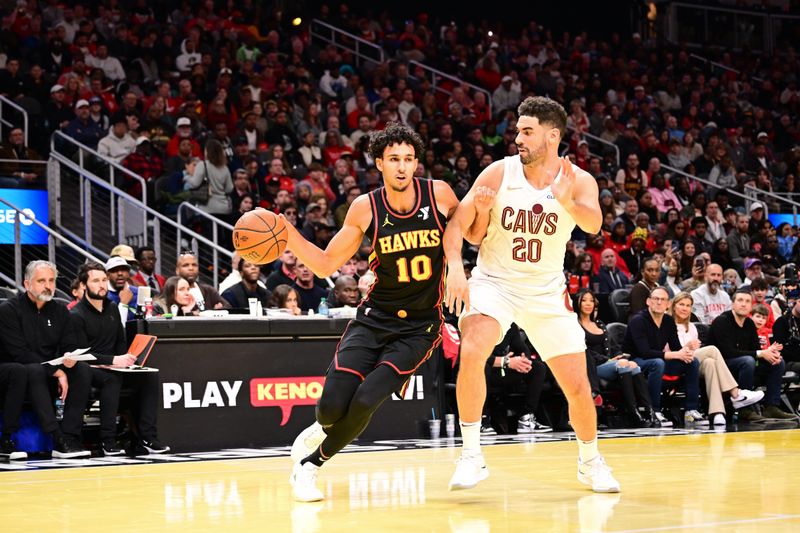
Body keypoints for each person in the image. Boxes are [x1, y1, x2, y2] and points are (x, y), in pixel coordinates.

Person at [443, 97, 619, 493]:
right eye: (517, 131)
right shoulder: (498, 172)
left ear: (552, 135)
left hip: (545, 290)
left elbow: (594, 223)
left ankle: (590, 462)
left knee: (576, 384)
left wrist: (565, 199)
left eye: (527, 131)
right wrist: (456, 267)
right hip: (495, 282)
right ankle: (471, 454)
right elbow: (458, 226)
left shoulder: (578, 178)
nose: (517, 138)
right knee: (473, 349)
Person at [283, 122, 459, 502]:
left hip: (419, 326)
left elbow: (466, 231)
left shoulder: (440, 194)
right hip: (373, 318)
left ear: (416, 163)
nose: (402, 167)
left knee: (366, 400)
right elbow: (327, 263)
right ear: (379, 162)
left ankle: (311, 466)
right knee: (331, 408)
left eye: (409, 159)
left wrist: (460, 267)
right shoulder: (366, 207)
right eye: (394, 159)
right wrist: (287, 233)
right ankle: (322, 428)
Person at [70, 262, 169, 455]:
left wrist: (128, 361)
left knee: (150, 376)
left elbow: (120, 344)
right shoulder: (76, 314)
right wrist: (114, 360)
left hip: (115, 365)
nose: (101, 285)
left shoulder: (112, 308)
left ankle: (148, 437)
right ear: (83, 285)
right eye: (96, 280)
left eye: (104, 280)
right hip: (91, 369)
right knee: (111, 378)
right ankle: (108, 439)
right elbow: (79, 354)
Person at [0, 261, 92, 458]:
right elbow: (19, 353)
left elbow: (69, 344)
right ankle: (56, 437)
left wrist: (69, 359)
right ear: (27, 284)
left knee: (82, 369)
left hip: (48, 367)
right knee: (30, 369)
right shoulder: (9, 310)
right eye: (41, 281)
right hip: (20, 367)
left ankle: (70, 435)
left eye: (51, 280)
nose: (48, 286)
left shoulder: (60, 310)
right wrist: (56, 371)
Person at [670, 292, 764, 426]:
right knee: (713, 350)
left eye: (688, 305)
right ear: (673, 306)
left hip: (691, 362)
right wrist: (687, 347)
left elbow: (694, 354)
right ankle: (736, 393)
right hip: (674, 361)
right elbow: (669, 350)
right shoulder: (668, 324)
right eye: (681, 305)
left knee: (710, 363)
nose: (685, 308)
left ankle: (717, 413)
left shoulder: (692, 327)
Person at [707, 289, 795, 421]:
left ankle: (771, 406)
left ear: (751, 305)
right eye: (740, 300)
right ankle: (744, 409)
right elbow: (727, 352)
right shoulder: (722, 321)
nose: (743, 304)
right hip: (722, 366)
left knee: (777, 362)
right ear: (733, 304)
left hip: (745, 364)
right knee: (748, 361)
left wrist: (770, 354)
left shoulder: (749, 323)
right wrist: (760, 353)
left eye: (747, 301)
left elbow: (755, 349)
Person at [621, 286, 703, 427]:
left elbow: (676, 347)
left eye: (663, 300)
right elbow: (644, 352)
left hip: (658, 361)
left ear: (668, 304)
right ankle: (655, 410)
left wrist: (686, 352)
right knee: (657, 363)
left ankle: (691, 409)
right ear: (648, 301)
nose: (659, 302)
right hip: (635, 361)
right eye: (655, 299)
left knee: (692, 362)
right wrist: (676, 354)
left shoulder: (668, 321)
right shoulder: (638, 320)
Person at [575, 289, 656, 427]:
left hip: (609, 364)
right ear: (578, 303)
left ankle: (649, 411)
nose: (588, 304)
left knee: (633, 365)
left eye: (591, 300)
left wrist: (618, 355)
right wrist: (608, 360)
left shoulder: (600, 324)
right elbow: (583, 351)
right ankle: (633, 413)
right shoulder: (575, 326)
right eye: (584, 300)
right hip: (591, 366)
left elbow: (613, 346)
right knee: (624, 364)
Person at [484, 323, 551, 433]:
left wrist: (524, 360)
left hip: (503, 370)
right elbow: (476, 355)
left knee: (538, 367)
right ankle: (482, 419)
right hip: (485, 369)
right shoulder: (482, 322)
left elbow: (523, 349)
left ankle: (526, 417)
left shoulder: (510, 325)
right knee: (483, 368)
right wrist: (505, 361)